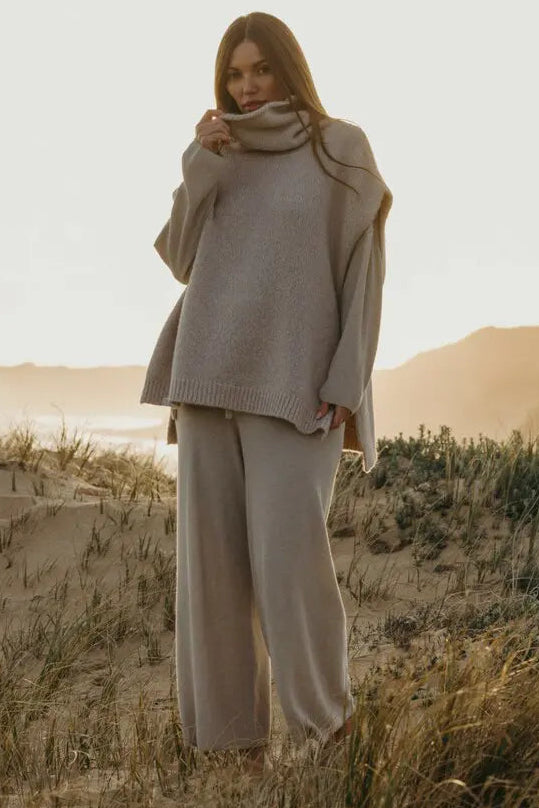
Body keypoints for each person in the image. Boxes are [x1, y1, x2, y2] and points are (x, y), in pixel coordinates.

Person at [139, 11, 393, 775]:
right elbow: (181, 260)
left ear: (289, 68)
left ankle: (328, 735)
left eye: (260, 70)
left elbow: (364, 275)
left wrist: (344, 385)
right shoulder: (215, 153)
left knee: (290, 568)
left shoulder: (338, 148)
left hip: (296, 389)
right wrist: (199, 164)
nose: (247, 88)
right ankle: (231, 750)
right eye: (234, 75)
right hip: (207, 377)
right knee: (212, 577)